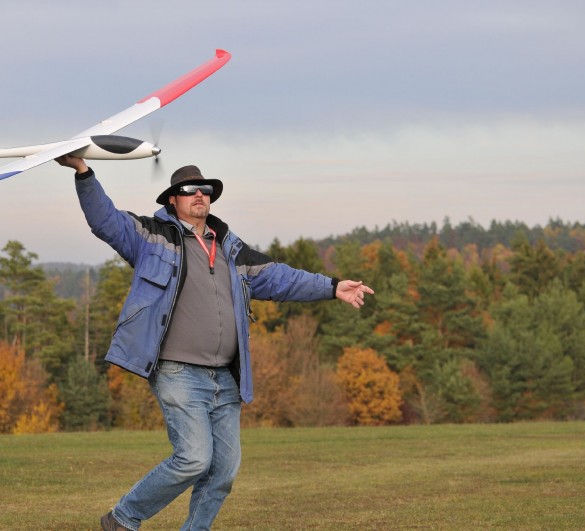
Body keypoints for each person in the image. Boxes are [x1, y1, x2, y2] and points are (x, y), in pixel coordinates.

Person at [56, 155, 374, 531]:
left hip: (226, 377)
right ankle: (123, 518)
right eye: (189, 190)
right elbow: (106, 221)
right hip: (177, 371)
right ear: (172, 199)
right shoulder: (152, 238)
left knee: (223, 471)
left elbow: (282, 278)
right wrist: (83, 173)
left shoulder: (230, 248)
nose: (199, 195)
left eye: (205, 190)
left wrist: (333, 287)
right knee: (193, 458)